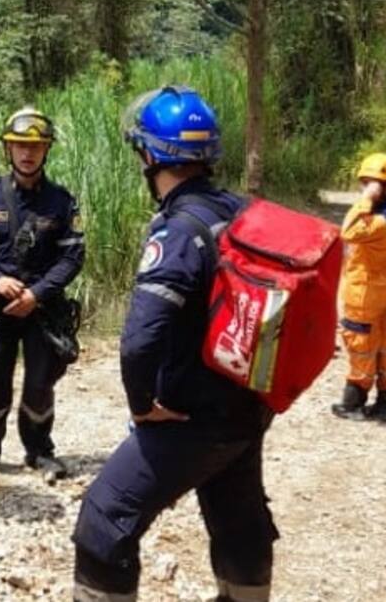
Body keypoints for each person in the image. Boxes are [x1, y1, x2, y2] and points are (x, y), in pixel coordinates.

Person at [72, 86, 277, 602]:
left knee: (104, 519)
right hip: (247, 406)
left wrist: (143, 406)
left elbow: (141, 338)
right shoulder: (244, 212)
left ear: (149, 155)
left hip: (192, 417)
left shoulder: (178, 230)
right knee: (238, 518)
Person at [0, 107, 84, 479]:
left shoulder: (62, 201)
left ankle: (40, 451)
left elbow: (73, 257)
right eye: (20, 145)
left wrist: (36, 294)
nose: (28, 153)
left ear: (46, 150)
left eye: (36, 146)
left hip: (42, 309)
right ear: (8, 149)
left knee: (40, 382)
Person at [330, 153, 386, 423]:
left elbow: (348, 230)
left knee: (361, 346)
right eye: (365, 182)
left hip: (365, 293)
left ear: (384, 186)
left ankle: (353, 402)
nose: (366, 187)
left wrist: (366, 198)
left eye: (371, 182)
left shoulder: (377, 222)